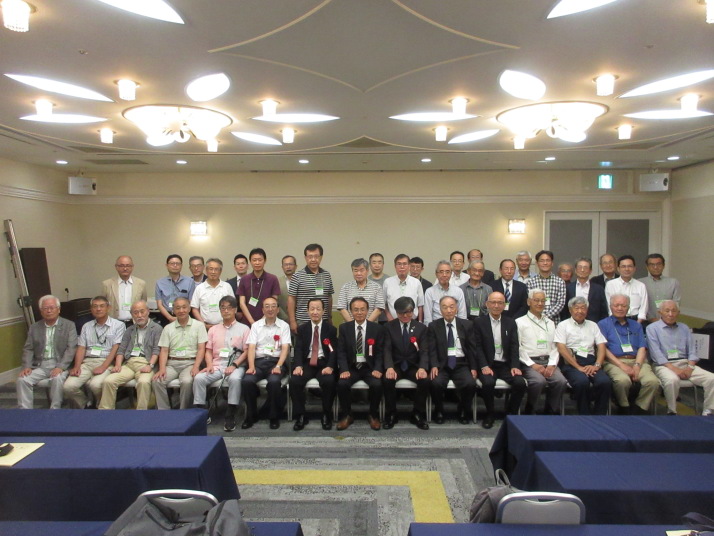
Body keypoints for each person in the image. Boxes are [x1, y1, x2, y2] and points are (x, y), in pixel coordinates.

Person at [192, 295, 250, 431]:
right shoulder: (213, 329)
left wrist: (234, 365)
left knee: (235, 379)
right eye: (223, 308)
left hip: (236, 366)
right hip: (217, 365)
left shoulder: (244, 329)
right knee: (199, 378)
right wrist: (209, 365)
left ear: (235, 310)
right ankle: (202, 412)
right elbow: (208, 350)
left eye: (229, 308)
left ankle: (230, 414)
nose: (226, 311)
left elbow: (247, 351)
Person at [647, 300, 714, 416]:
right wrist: (675, 369)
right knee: (672, 380)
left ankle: (708, 411)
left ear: (678, 313)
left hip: (685, 364)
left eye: (674, 311)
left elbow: (692, 351)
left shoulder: (684, 328)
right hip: (663, 365)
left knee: (711, 378)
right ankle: (672, 411)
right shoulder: (652, 328)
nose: (670, 314)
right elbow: (656, 354)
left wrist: (690, 367)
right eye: (667, 311)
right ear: (660, 312)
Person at [473, 292, 526, 428]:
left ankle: (510, 414)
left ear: (504, 305)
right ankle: (490, 414)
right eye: (493, 302)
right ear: (487, 304)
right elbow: (477, 347)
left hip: (505, 365)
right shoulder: (479, 322)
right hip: (488, 364)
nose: (496, 306)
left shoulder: (510, 322)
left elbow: (514, 346)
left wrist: (515, 366)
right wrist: (484, 365)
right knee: (488, 383)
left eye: (500, 303)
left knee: (520, 383)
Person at [599, 294, 659, 414]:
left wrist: (637, 365)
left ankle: (639, 408)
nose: (620, 308)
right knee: (622, 381)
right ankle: (624, 407)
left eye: (623, 305)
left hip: (637, 360)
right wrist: (621, 365)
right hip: (614, 361)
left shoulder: (636, 325)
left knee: (652, 382)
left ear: (628, 307)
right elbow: (602, 349)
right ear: (610, 306)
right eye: (616, 305)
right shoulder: (603, 324)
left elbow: (642, 347)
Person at [63, 296, 125, 409]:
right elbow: (81, 348)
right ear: (91, 309)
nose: (98, 309)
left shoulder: (118, 325)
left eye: (102, 306)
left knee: (95, 385)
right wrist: (77, 366)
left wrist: (103, 367)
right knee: (68, 387)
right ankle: (86, 404)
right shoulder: (86, 326)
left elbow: (116, 348)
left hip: (107, 362)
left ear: (108, 308)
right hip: (87, 362)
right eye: (95, 306)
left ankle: (101, 406)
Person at [98, 300, 162, 410]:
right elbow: (121, 350)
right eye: (136, 313)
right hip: (129, 363)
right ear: (132, 315)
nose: (139, 315)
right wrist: (118, 365)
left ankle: (141, 413)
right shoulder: (129, 330)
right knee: (109, 381)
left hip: (146, 363)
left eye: (142, 311)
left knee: (143, 382)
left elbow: (157, 350)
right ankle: (105, 412)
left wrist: (150, 365)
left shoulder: (157, 329)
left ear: (148, 311)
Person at [16, 295, 77, 409]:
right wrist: (26, 366)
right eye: (45, 308)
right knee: (22, 380)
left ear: (58, 309)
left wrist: (60, 367)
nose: (49, 311)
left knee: (57, 378)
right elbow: (28, 348)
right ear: (41, 311)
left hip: (60, 364)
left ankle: (55, 410)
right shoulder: (34, 327)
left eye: (52, 307)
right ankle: (25, 412)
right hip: (40, 365)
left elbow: (71, 348)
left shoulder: (69, 325)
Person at [554, 296, 612, 415]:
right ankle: (585, 414)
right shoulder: (563, 325)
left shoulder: (593, 325)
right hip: (571, 362)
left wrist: (597, 365)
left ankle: (599, 415)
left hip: (591, 362)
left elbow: (601, 346)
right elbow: (561, 348)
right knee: (582, 382)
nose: (580, 311)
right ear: (570, 310)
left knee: (604, 382)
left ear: (587, 310)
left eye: (583, 308)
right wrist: (578, 367)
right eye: (576, 308)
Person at [241, 296, 291, 429]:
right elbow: (251, 347)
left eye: (273, 306)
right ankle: (251, 415)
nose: (270, 309)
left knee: (274, 382)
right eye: (267, 306)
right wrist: (251, 366)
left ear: (278, 309)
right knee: (247, 381)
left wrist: (279, 366)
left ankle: (274, 416)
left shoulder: (284, 326)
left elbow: (285, 348)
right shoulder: (255, 326)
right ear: (262, 310)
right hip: (258, 362)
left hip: (276, 362)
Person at [336, 297, 385, 431]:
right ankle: (347, 415)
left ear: (367, 311)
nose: (359, 312)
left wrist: (378, 368)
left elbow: (380, 352)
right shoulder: (344, 328)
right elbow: (341, 352)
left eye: (362, 309)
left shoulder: (376, 329)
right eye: (356, 310)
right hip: (351, 367)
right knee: (342, 384)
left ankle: (373, 415)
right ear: (351, 311)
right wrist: (343, 369)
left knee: (377, 384)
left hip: (369, 367)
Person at [427, 296, 478, 425]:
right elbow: (431, 349)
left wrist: (473, 367)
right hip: (442, 364)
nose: (448, 310)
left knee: (470, 383)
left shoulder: (467, 325)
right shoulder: (433, 326)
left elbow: (472, 348)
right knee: (435, 382)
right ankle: (439, 410)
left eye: (451, 307)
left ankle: (463, 410)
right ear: (440, 310)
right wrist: (434, 365)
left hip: (461, 363)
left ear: (456, 309)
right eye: (445, 307)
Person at [382, 296, 430, 430]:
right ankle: (391, 414)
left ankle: (417, 414)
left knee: (425, 380)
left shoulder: (421, 328)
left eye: (408, 312)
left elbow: (424, 351)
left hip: (413, 366)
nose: (405, 316)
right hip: (396, 365)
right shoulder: (388, 327)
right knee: (387, 380)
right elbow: (386, 349)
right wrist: (389, 367)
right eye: (401, 313)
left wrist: (422, 367)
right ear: (396, 312)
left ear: (413, 311)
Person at [516, 289, 567, 415]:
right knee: (538, 381)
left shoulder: (550, 323)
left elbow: (555, 346)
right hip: (529, 362)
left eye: (543, 301)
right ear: (529, 302)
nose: (540, 303)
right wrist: (533, 365)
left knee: (560, 381)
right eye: (536, 300)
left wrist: (552, 364)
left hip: (548, 361)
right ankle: (530, 410)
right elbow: (518, 347)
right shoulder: (520, 322)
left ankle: (550, 412)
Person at [289, 298, 338, 431]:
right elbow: (298, 349)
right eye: (312, 309)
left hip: (324, 363)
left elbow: (334, 351)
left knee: (329, 381)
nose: (315, 312)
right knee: (295, 381)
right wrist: (298, 365)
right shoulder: (302, 329)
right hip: (307, 363)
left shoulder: (331, 329)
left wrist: (330, 366)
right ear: (307, 311)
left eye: (318, 309)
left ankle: (326, 415)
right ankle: (300, 416)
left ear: (323, 311)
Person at [152, 297, 208, 410]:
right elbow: (164, 350)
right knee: (157, 381)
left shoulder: (199, 326)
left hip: (190, 363)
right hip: (172, 363)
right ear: (173, 311)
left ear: (189, 309)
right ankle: (164, 411)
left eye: (184, 307)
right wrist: (162, 368)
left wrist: (196, 366)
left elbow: (201, 349)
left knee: (187, 382)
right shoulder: (168, 328)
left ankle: (183, 412)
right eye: (178, 308)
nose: (181, 310)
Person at [288, 243, 334, 333]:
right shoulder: (297, 276)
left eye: (316, 256)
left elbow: (329, 297)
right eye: (310, 257)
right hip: (303, 321)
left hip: (323, 321)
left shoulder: (326, 275)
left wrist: (329, 317)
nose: (313, 259)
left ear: (321, 257)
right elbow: (291, 299)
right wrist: (292, 321)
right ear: (305, 258)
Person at [237, 248, 281, 325]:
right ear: (250, 261)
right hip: (247, 321)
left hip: (268, 321)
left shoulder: (273, 278)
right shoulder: (244, 279)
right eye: (254, 260)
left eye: (260, 260)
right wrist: (252, 322)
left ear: (265, 261)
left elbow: (274, 302)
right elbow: (242, 303)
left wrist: (262, 321)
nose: (257, 263)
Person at [191, 258, 235, 328]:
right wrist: (203, 324)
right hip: (205, 326)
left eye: (216, 269)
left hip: (225, 326)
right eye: (211, 269)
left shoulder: (227, 286)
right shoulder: (199, 288)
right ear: (206, 270)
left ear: (220, 271)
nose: (213, 272)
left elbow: (233, 307)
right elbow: (195, 309)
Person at [102, 255, 147, 324]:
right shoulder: (107, 284)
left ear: (132, 267)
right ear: (116, 267)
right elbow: (103, 305)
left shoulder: (141, 284)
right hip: (114, 323)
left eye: (128, 265)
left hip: (134, 323)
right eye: (121, 266)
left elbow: (143, 303)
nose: (125, 268)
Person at [337, 258, 385, 322]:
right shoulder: (345, 287)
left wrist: (366, 325)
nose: (359, 273)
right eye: (356, 270)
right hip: (350, 325)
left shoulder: (377, 287)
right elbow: (342, 308)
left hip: (371, 325)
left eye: (362, 270)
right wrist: (353, 325)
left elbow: (379, 309)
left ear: (367, 271)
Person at [605, 255, 649, 323]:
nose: (627, 269)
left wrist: (637, 324)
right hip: (615, 320)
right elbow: (609, 306)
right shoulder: (611, 284)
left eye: (630, 266)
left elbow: (644, 308)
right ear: (618, 269)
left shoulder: (641, 286)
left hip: (636, 320)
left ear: (634, 268)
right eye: (623, 266)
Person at [564, 257, 609, 323]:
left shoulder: (598, 289)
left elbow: (603, 312)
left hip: (593, 324)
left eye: (585, 268)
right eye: (580, 267)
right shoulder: (568, 288)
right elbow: (564, 310)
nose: (582, 270)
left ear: (590, 271)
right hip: (571, 325)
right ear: (575, 270)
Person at [155, 254, 195, 326]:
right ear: (166, 265)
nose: (175, 265)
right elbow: (159, 304)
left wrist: (182, 316)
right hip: (166, 316)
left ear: (181, 266)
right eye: (172, 263)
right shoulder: (160, 283)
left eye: (178, 263)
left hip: (185, 316)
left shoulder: (190, 281)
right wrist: (169, 317)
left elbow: (191, 302)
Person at [526, 250, 566, 323]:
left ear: (552, 263)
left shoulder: (560, 282)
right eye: (542, 261)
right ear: (537, 263)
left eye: (548, 260)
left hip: (554, 322)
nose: (545, 263)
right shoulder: (530, 282)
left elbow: (560, 303)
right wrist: (539, 317)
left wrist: (545, 316)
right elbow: (530, 302)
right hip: (534, 321)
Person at [640, 254, 681, 324]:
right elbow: (639, 304)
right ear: (647, 267)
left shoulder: (673, 283)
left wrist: (665, 319)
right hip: (645, 322)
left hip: (668, 322)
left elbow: (676, 304)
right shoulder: (640, 283)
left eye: (658, 264)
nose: (655, 267)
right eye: (652, 265)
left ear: (663, 265)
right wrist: (651, 318)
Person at [383, 254, 424, 322]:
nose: (402, 267)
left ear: (409, 266)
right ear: (395, 266)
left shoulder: (416, 283)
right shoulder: (387, 282)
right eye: (399, 264)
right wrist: (389, 317)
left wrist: (420, 321)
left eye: (405, 264)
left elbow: (420, 305)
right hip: (393, 321)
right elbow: (383, 303)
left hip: (413, 321)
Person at [424, 261, 467, 325]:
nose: (444, 275)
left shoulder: (458, 291)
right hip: (436, 326)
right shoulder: (430, 292)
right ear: (436, 274)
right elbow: (428, 317)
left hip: (455, 326)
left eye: (447, 272)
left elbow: (462, 315)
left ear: (451, 274)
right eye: (441, 272)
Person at [368, 253, 389, 323]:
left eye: (379, 262)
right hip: (370, 320)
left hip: (387, 319)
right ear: (370, 265)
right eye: (374, 262)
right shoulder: (365, 281)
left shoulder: (389, 281)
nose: (377, 265)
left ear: (383, 264)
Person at [277, 255, 297, 322]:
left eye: (291, 264)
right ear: (282, 267)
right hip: (283, 319)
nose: (288, 267)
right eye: (285, 265)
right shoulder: (277, 282)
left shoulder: (302, 281)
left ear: (296, 266)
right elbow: (276, 302)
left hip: (300, 319)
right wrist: (285, 318)